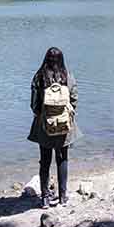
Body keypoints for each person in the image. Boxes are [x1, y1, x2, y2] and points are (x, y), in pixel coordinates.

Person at [28, 47, 81, 208]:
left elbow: (34, 104)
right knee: (62, 158)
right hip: (64, 126)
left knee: (45, 161)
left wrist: (41, 115)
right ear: (61, 60)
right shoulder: (67, 76)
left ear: (46, 59)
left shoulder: (39, 77)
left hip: (44, 126)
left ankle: (44, 198)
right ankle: (63, 196)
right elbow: (74, 99)